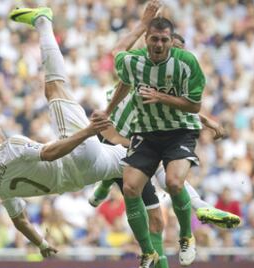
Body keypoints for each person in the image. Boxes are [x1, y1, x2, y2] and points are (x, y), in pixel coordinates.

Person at [0, 7, 123, 259]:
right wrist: (87, 132)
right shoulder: (10, 146)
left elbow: (20, 221)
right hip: (78, 156)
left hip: (83, 180)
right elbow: (49, 153)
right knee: (54, 88)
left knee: (138, 158)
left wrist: (41, 243)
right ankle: (42, 20)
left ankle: (192, 200)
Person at [91, 32, 239, 231]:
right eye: (174, 50)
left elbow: (176, 109)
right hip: (115, 134)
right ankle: (199, 207)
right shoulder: (143, 72)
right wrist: (143, 25)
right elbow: (119, 52)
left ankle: (199, 210)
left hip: (134, 139)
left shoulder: (170, 80)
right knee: (155, 167)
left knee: (164, 181)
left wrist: (207, 121)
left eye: (180, 52)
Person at [104, 15, 206, 268]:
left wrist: (161, 97)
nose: (159, 44)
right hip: (146, 132)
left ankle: (186, 235)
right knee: (129, 188)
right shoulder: (134, 61)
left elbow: (195, 105)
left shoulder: (187, 62)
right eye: (154, 39)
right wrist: (107, 111)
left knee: (173, 182)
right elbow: (119, 61)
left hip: (179, 130)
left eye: (164, 39)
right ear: (146, 39)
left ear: (171, 41)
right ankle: (148, 252)